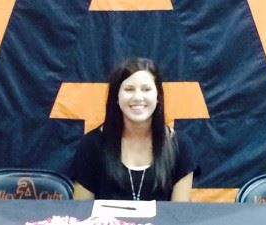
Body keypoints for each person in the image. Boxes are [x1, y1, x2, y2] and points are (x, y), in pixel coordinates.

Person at [72, 57, 196, 201]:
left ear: (158, 97)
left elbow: (179, 216)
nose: (138, 97)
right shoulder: (91, 145)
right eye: (129, 89)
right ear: (116, 97)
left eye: (146, 89)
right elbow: (81, 212)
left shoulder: (181, 146)